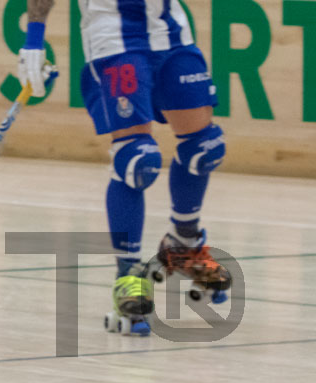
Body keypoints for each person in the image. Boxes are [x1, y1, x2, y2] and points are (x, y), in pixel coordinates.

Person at [18, 0, 231, 336]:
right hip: (114, 40)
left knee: (205, 148)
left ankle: (184, 243)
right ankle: (128, 275)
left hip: (172, 32)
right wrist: (34, 37)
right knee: (137, 160)